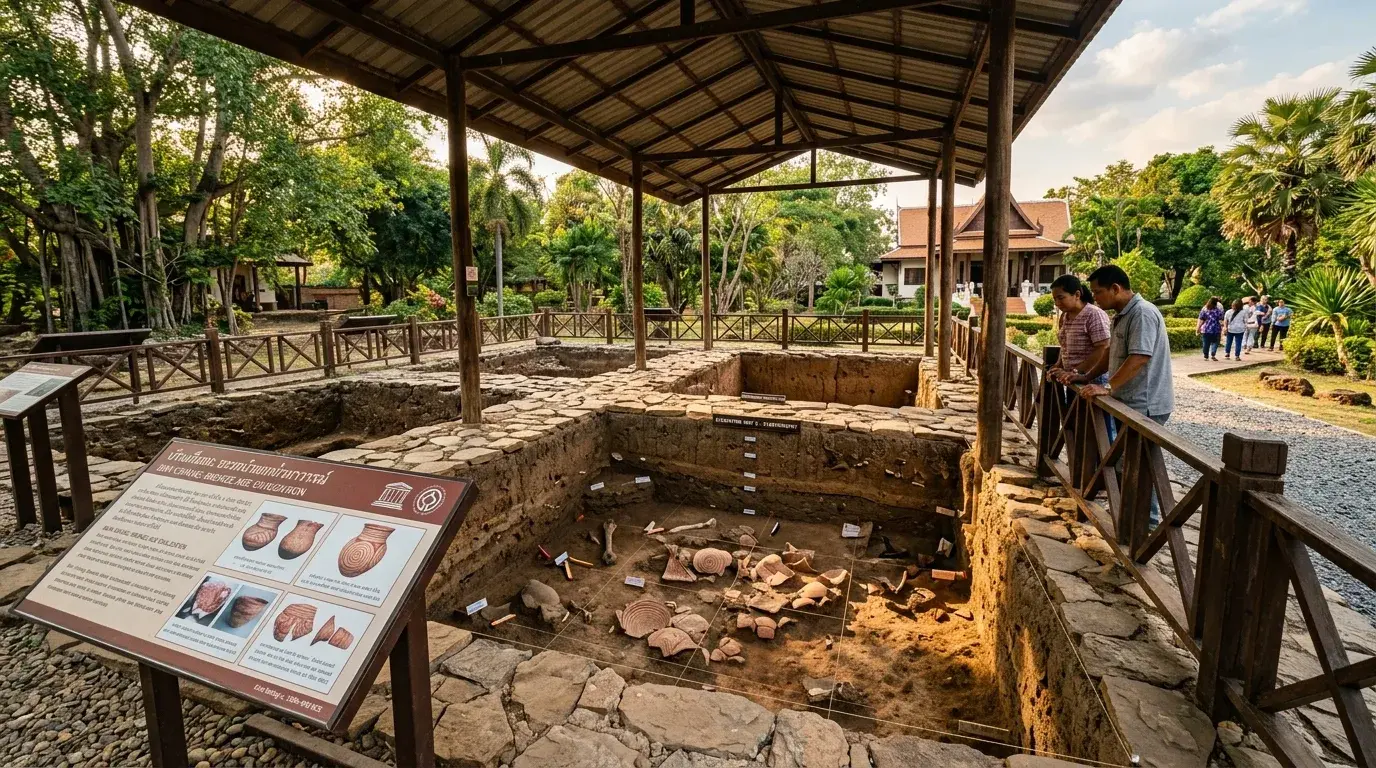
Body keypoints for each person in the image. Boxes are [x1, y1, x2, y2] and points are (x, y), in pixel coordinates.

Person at [1074, 264, 1175, 524]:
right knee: (1127, 462)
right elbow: (1110, 353)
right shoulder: (1121, 315)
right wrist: (1086, 376)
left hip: (1146, 403)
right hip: (1128, 401)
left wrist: (1109, 387)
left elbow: (1140, 356)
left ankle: (1147, 522)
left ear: (1116, 288)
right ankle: (1130, 515)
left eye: (1098, 292)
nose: (1094, 298)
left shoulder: (1142, 313)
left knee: (1141, 464)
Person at [1045, 275, 1110, 390]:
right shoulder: (1065, 316)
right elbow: (1064, 346)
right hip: (1072, 380)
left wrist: (1077, 372)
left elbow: (1103, 348)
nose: (1057, 303)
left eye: (1061, 298)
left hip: (1093, 381)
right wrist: (1058, 365)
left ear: (1077, 295)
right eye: (1055, 299)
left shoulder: (1093, 314)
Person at [1197, 297, 1224, 361]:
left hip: (1206, 329)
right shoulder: (1218, 311)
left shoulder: (1204, 310)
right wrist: (1223, 326)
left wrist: (1198, 328)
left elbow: (1202, 320)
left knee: (1206, 343)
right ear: (1216, 303)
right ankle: (1213, 353)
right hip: (1216, 329)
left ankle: (1206, 356)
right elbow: (1221, 319)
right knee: (1215, 342)